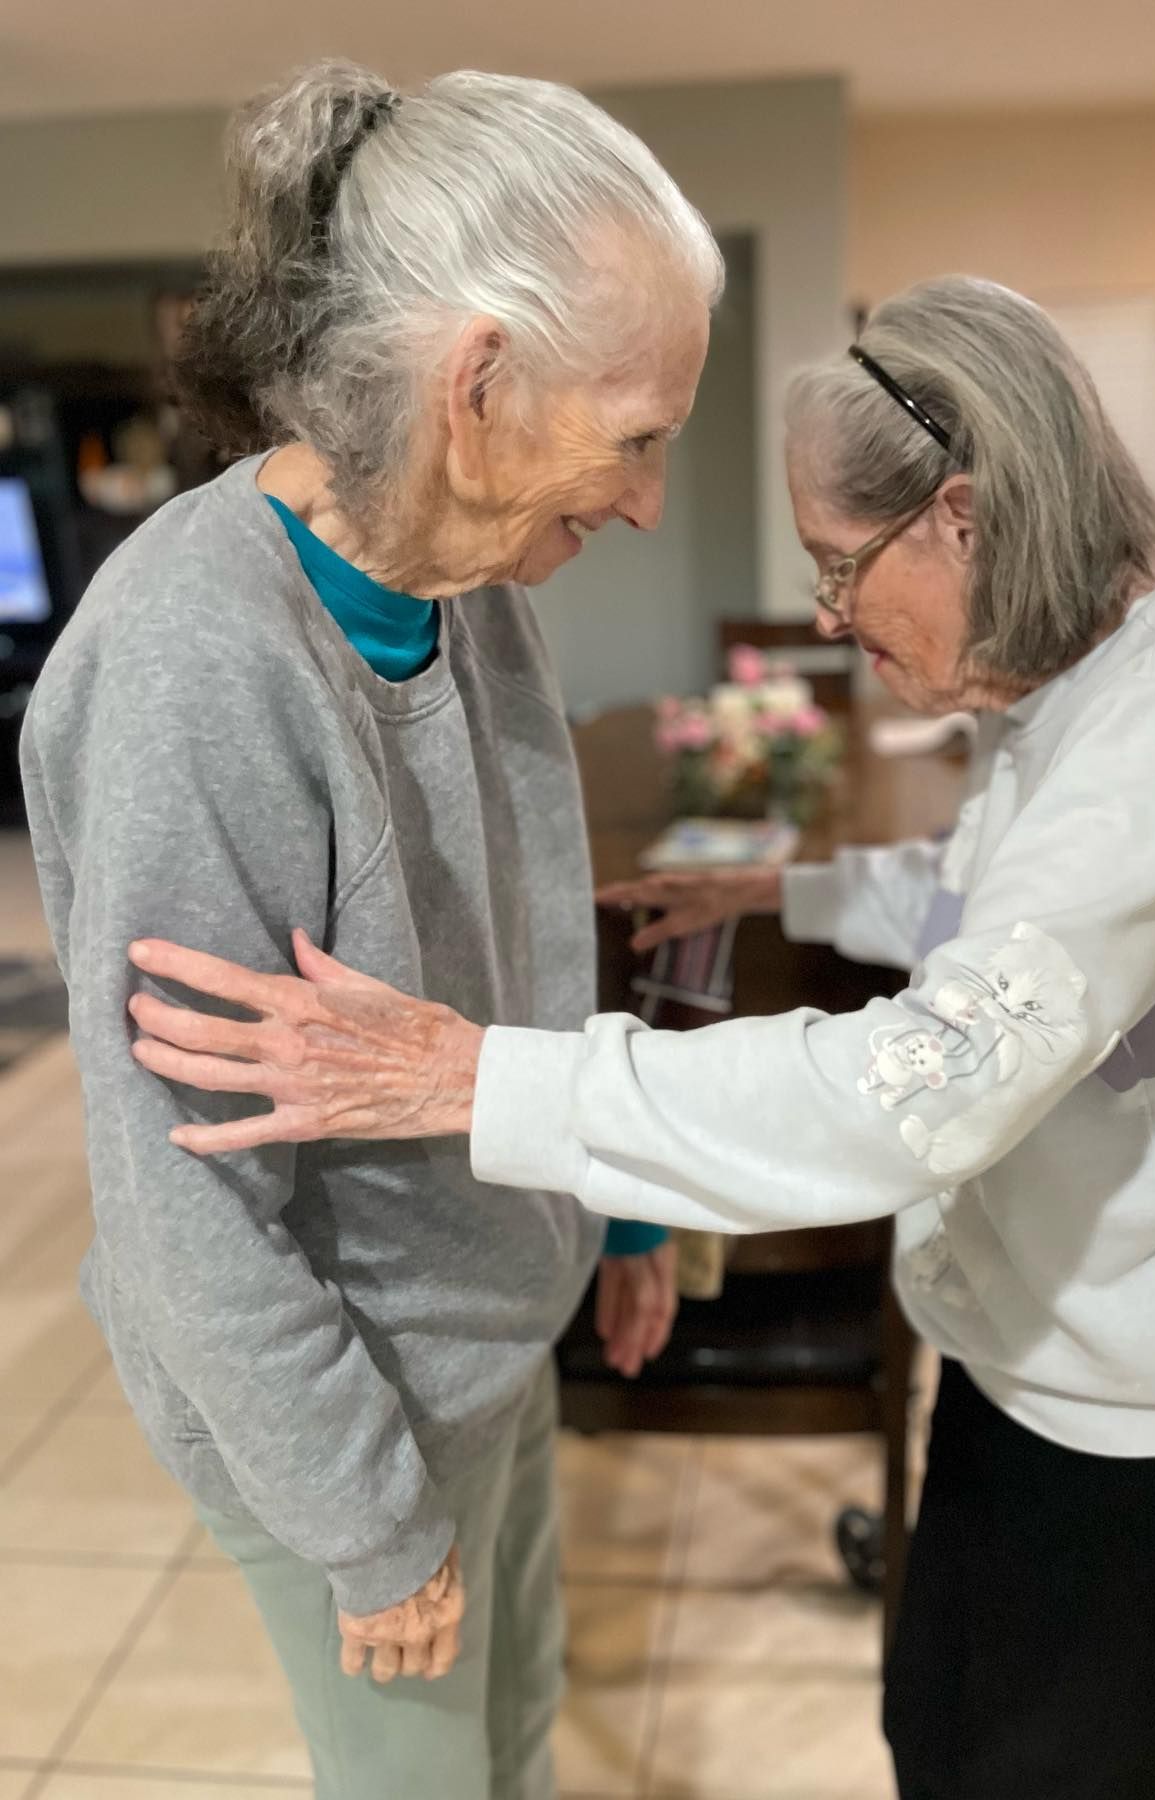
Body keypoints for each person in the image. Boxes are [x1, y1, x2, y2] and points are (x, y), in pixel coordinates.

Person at [115, 277, 1155, 1800]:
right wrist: (783, 886)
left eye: (841, 565)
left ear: (966, 519)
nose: (827, 613)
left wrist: (475, 1078)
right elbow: (1008, 903)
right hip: (1053, 1345)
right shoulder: (1083, 673)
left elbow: (917, 1086)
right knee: (940, 1724)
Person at [19, 59, 724, 1800]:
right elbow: (186, 1199)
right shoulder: (201, 659)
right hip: (352, 1406)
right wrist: (366, 1518)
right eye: (635, 436)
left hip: (487, 1337)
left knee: (522, 1740)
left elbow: (533, 942)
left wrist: (617, 1204)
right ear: (476, 385)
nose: (644, 497)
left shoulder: (471, 584)